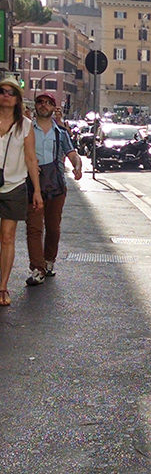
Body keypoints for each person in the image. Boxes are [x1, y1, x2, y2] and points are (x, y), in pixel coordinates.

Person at [25, 91, 82, 286]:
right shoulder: (27, 130)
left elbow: (72, 153)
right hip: (31, 185)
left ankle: (49, 261)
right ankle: (37, 269)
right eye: (40, 102)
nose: (43, 105)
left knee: (53, 228)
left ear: (53, 107)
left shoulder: (61, 133)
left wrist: (77, 165)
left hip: (56, 185)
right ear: (35, 106)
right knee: (33, 228)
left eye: (48, 103)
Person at [0, 77, 43, 305]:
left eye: (11, 92)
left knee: (7, 238)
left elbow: (30, 158)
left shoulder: (25, 125)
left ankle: (2, 287)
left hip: (14, 185)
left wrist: (36, 190)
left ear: (17, 99)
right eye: (2, 91)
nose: (6, 95)